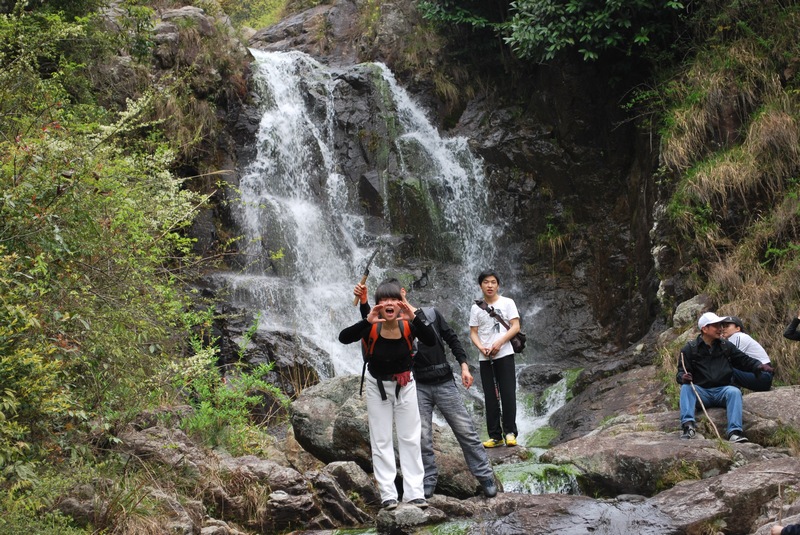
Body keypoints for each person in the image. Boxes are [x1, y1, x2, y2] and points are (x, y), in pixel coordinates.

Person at [354, 282, 499, 499]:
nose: (392, 302)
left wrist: (464, 365)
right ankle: (428, 480)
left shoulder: (427, 315)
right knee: (421, 436)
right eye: (386, 300)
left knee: (465, 430)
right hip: (417, 384)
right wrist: (364, 303)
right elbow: (370, 327)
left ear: (404, 293)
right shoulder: (392, 323)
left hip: (443, 381)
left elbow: (450, 338)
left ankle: (485, 475)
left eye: (397, 295)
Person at [339, 280, 437, 510]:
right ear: (378, 306)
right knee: (381, 439)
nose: (389, 304)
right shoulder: (371, 325)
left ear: (400, 302)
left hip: (405, 384)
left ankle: (414, 493)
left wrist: (411, 311)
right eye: (383, 301)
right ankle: (388, 494)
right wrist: (366, 318)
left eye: (394, 299)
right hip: (377, 386)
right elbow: (343, 338)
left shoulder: (408, 324)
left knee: (410, 438)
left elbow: (431, 339)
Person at [677, 312, 774, 442]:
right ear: (704, 329)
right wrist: (683, 377)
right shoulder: (690, 349)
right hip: (701, 393)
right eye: (715, 325)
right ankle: (688, 426)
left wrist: (759, 366)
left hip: (722, 391)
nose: (720, 328)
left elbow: (743, 360)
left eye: (720, 325)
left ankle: (735, 432)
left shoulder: (725, 346)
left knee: (734, 391)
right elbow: (680, 372)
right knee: (686, 388)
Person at [468, 269, 521, 448]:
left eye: (493, 282)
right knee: (490, 397)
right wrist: (481, 347)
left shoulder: (508, 302)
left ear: (497, 284)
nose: (489, 285)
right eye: (486, 282)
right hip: (485, 357)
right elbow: (473, 333)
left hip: (504, 354)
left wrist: (499, 343)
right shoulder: (476, 307)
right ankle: (495, 436)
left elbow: (515, 326)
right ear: (481, 285)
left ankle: (510, 432)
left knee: (507, 394)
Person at [720, 316, 773, 391]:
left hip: (763, 375)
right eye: (723, 326)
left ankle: (731, 394)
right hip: (761, 375)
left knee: (725, 369)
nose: (723, 329)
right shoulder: (733, 339)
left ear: (738, 329)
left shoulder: (739, 337)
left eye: (727, 326)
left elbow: (729, 359)